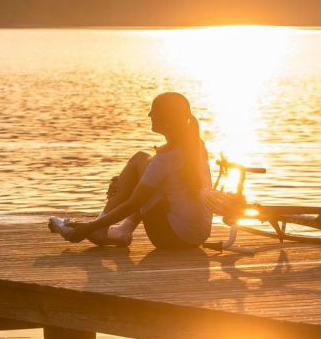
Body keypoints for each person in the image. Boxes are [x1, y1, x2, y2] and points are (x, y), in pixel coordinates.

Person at [49, 93, 213, 250]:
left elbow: (134, 204)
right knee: (142, 164)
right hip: (197, 236)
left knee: (140, 164)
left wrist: (87, 228)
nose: (149, 114)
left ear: (168, 120)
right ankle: (122, 230)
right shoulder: (196, 145)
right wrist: (126, 183)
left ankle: (101, 228)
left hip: (169, 238)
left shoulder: (165, 158)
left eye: (154, 110)